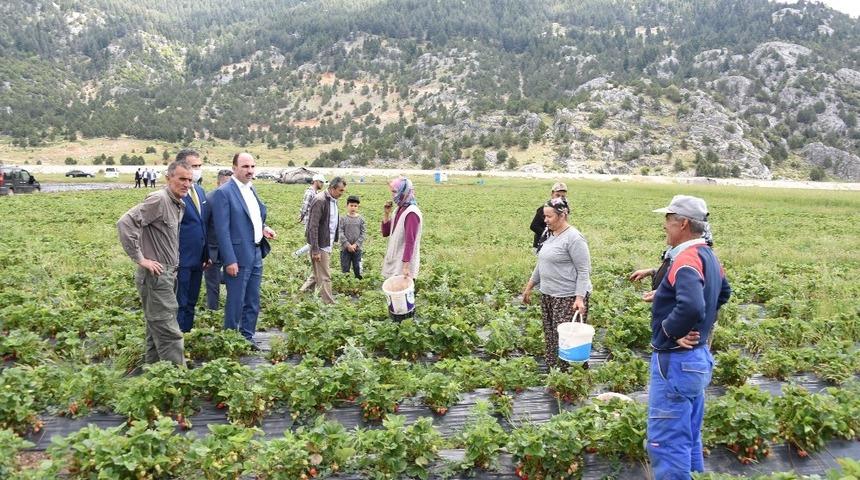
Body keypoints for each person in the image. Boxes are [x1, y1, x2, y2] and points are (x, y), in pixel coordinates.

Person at [639, 195, 731, 479]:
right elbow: (723, 292)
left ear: (683, 224)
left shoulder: (686, 257)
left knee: (666, 441)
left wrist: (671, 331)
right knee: (688, 431)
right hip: (697, 358)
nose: (665, 226)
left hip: (676, 361)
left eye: (668, 220)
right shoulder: (708, 256)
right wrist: (700, 326)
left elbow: (692, 305)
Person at [116, 159, 193, 367]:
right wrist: (141, 259)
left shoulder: (177, 203)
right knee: (169, 332)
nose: (186, 184)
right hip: (156, 276)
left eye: (190, 180)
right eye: (181, 179)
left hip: (168, 274)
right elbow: (125, 223)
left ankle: (153, 374)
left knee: (156, 328)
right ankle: (178, 382)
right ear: (168, 178)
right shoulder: (159, 200)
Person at [210, 153, 277, 348]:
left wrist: (263, 228)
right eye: (245, 166)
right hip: (238, 256)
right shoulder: (225, 192)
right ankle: (230, 339)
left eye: (252, 166)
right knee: (235, 300)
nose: (250, 170)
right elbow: (222, 230)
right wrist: (229, 260)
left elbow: (251, 218)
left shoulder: (250, 188)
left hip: (255, 252)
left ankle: (247, 337)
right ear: (234, 168)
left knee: (253, 299)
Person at [521, 197, 592, 371]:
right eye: (544, 216)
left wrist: (579, 298)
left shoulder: (574, 238)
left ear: (562, 215)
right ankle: (555, 372)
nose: (545, 220)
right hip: (548, 295)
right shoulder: (548, 234)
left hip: (567, 298)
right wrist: (530, 286)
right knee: (552, 336)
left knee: (568, 341)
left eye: (549, 217)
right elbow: (541, 262)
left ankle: (573, 377)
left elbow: (584, 271)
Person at [175, 149, 209, 332]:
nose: (197, 170)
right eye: (194, 166)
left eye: (199, 166)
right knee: (179, 302)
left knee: (191, 301)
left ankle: (185, 335)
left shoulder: (200, 191)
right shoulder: (174, 194)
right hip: (180, 259)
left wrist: (207, 254)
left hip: (198, 259)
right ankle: (175, 341)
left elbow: (202, 225)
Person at [301, 177, 347, 303]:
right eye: (340, 190)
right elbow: (313, 226)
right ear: (332, 188)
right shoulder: (320, 200)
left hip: (327, 242)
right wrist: (315, 250)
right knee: (325, 276)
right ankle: (329, 304)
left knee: (316, 274)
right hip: (320, 244)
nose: (342, 193)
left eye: (343, 191)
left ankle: (300, 295)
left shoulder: (333, 200)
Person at [381, 177, 423, 279]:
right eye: (392, 192)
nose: (393, 195)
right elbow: (386, 232)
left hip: (403, 266)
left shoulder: (411, 213)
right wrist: (386, 214)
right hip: (395, 261)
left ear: (404, 191)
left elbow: (410, 242)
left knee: (401, 294)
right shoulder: (399, 209)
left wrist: (405, 267)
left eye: (395, 191)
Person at [203, 169, 233, 310]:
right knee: (212, 284)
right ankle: (212, 312)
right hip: (212, 248)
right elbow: (203, 225)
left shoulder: (235, 199)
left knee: (233, 278)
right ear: (217, 183)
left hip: (230, 249)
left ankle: (232, 308)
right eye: (224, 183)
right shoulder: (209, 199)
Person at [529, 182, 567, 252]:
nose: (560, 198)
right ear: (552, 194)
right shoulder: (544, 209)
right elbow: (534, 226)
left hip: (553, 244)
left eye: (563, 196)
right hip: (541, 245)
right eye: (557, 195)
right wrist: (550, 236)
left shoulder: (562, 209)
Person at [339, 195, 366, 279]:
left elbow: (363, 233)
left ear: (358, 207)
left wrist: (356, 245)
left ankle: (358, 284)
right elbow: (340, 232)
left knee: (358, 268)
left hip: (357, 249)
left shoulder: (361, 219)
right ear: (347, 206)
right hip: (344, 249)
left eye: (355, 206)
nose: (353, 208)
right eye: (351, 205)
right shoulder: (343, 219)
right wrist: (347, 245)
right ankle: (346, 286)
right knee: (345, 268)